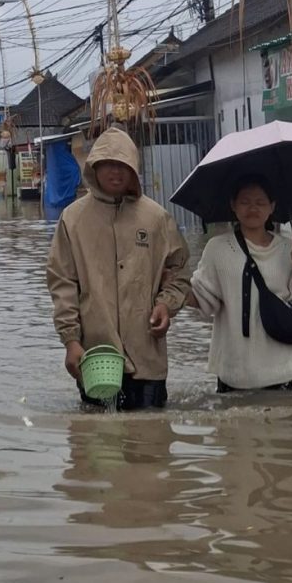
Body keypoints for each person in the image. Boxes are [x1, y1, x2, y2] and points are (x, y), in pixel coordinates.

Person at [46, 126, 191, 410]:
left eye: (123, 165)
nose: (116, 171)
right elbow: (62, 282)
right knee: (95, 433)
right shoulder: (73, 219)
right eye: (108, 164)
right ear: (94, 167)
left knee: (152, 433)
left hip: (147, 355)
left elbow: (180, 271)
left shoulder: (156, 218)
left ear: (133, 169)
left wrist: (166, 305)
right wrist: (71, 340)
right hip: (96, 356)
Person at [188, 174, 292, 392]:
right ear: (233, 205)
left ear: (272, 207)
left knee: (291, 416)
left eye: (260, 202)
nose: (253, 208)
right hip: (235, 372)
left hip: (285, 370)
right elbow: (203, 299)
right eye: (245, 202)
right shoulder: (217, 248)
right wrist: (170, 287)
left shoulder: (289, 250)